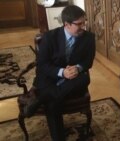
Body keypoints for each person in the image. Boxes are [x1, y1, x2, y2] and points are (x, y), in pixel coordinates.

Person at [23, 5, 96, 141]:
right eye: (79, 24)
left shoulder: (89, 38)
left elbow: (88, 62)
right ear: (66, 24)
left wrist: (78, 68)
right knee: (53, 102)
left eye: (84, 22)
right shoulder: (50, 37)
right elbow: (42, 64)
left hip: (74, 79)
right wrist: (62, 72)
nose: (83, 26)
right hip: (51, 77)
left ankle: (40, 99)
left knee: (84, 78)